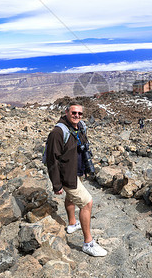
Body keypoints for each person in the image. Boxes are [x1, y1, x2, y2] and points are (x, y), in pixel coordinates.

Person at [45, 101, 107, 257]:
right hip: (67, 176)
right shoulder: (58, 133)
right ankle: (88, 243)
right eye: (74, 113)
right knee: (87, 203)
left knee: (71, 198)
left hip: (77, 171)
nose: (77, 116)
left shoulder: (79, 127)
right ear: (67, 112)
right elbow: (52, 160)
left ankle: (72, 224)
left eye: (80, 113)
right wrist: (57, 184)